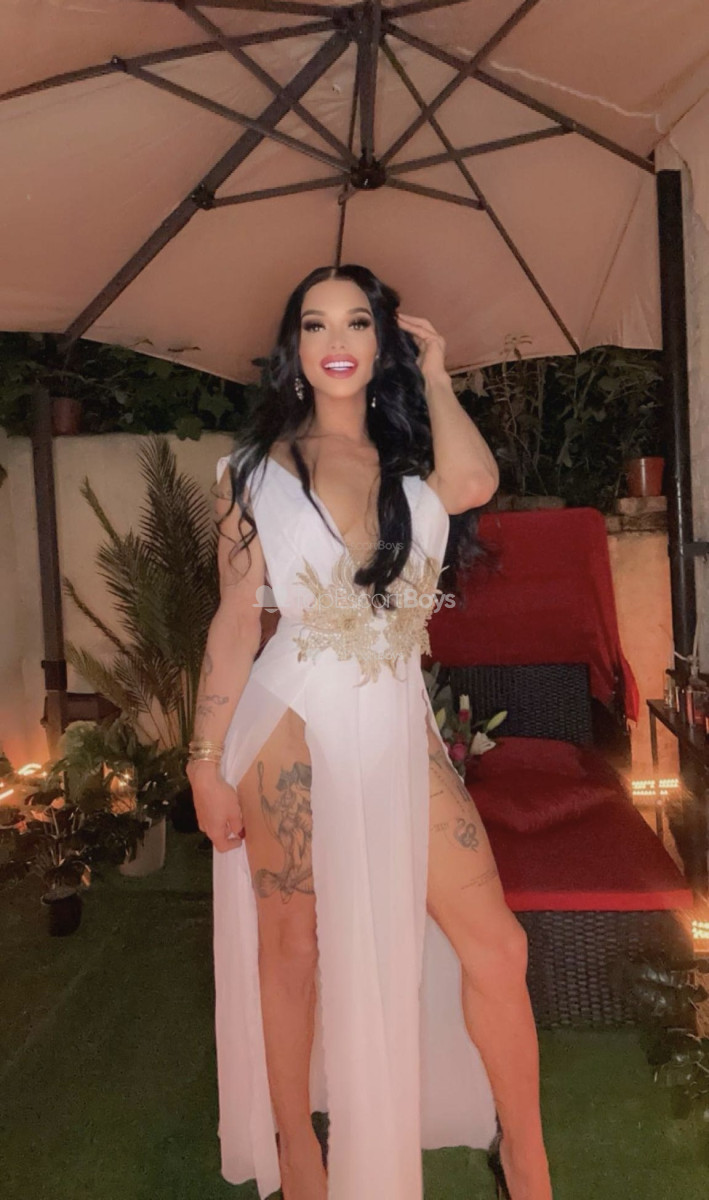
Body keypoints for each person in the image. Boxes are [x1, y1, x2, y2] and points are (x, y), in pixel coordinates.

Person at [187, 264, 553, 1200]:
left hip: (394, 723)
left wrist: (434, 374)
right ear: (294, 349)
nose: (336, 340)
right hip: (288, 723)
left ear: (380, 343)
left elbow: (475, 478)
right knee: (293, 949)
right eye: (315, 324)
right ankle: (301, 1157)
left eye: (357, 322)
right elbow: (235, 620)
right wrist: (203, 762)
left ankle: (525, 1159)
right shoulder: (250, 472)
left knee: (497, 946)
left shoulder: (410, 473)